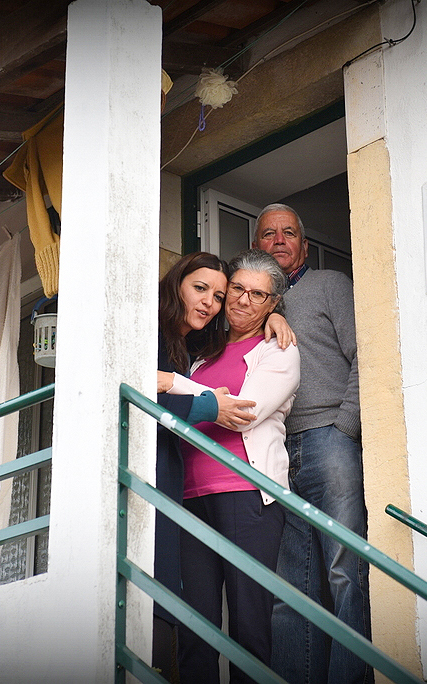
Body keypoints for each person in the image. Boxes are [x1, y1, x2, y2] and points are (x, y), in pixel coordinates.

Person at [160, 249, 300, 684]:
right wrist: (187, 387)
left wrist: (172, 383)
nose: (242, 300)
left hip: (246, 495)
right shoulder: (201, 349)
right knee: (195, 626)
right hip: (188, 497)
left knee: (248, 623)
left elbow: (244, 411)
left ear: (273, 303)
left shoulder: (279, 351)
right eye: (236, 289)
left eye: (258, 295)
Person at [255, 204, 373, 684]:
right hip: (278, 451)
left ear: (304, 245)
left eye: (289, 232)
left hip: (330, 441)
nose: (279, 240)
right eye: (269, 234)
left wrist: (346, 426)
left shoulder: (329, 285)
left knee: (346, 570)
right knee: (291, 585)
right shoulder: (253, 305)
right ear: (256, 247)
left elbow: (366, 352)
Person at [154, 251, 257, 679]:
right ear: (176, 284)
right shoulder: (149, 330)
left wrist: (274, 316)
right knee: (157, 592)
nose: (209, 303)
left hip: (172, 478)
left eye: (217, 296)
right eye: (199, 289)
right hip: (146, 472)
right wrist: (208, 406)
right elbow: (140, 398)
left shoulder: (190, 346)